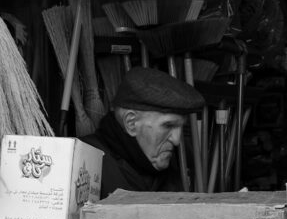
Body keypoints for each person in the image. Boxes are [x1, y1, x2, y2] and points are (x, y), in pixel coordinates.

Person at [81, 67, 205, 198]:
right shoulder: (85, 162)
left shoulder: (166, 164)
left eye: (180, 127)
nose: (176, 140)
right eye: (168, 125)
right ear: (131, 123)